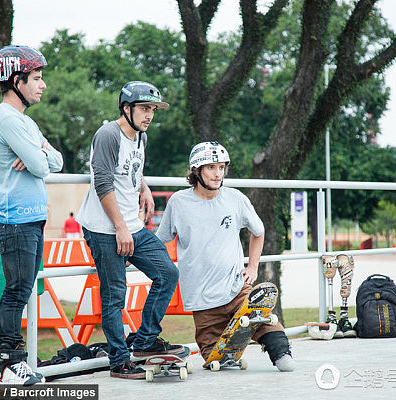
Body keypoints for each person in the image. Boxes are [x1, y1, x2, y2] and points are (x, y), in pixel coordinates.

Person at [156, 142, 296, 372]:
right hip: (202, 301)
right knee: (213, 360)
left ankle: (279, 349)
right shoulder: (179, 202)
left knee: (267, 328)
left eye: (221, 167)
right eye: (211, 167)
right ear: (196, 170)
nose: (218, 173)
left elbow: (258, 232)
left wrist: (252, 267)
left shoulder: (235, 199)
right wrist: (133, 255)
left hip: (235, 287)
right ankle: (228, 349)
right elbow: (161, 240)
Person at [76, 81, 182, 380]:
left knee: (168, 273)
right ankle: (119, 361)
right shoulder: (108, 134)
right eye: (144, 109)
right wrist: (120, 228)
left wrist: (144, 188)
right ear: (127, 108)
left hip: (130, 225)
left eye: (153, 110)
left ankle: (145, 341)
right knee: (114, 295)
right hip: (104, 228)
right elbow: (102, 183)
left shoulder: (140, 138)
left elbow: (131, 170)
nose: (150, 115)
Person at [0, 45, 63, 385]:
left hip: (29, 219)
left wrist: (38, 152)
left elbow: (55, 162)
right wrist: (37, 157)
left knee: (22, 289)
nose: (43, 85)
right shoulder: (6, 118)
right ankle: (7, 364)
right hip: (14, 220)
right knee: (17, 291)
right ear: (17, 80)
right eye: (37, 78)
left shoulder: (25, 122)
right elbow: (40, 167)